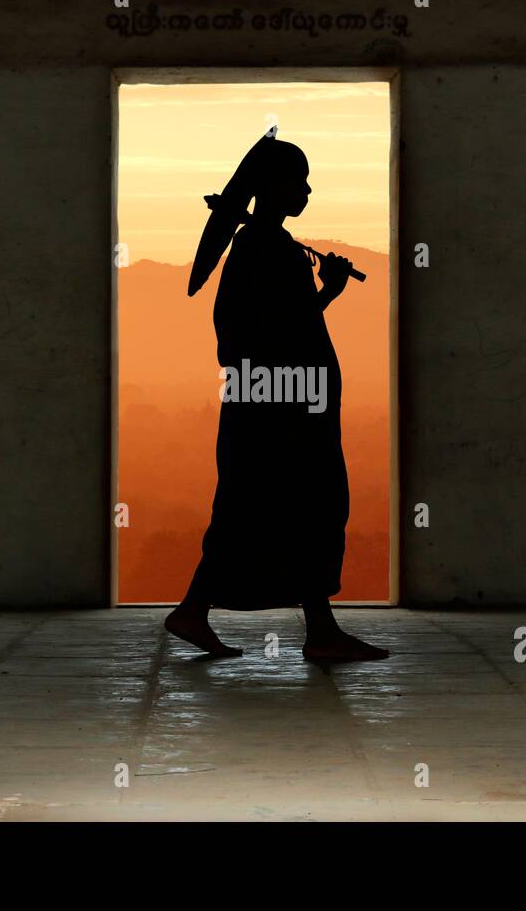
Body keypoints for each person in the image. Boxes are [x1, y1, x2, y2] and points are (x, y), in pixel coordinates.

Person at [164, 131, 390, 663]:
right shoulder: (260, 249)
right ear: (275, 187)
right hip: (275, 414)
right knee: (276, 507)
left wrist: (322, 294)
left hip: (284, 409)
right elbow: (249, 334)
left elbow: (284, 325)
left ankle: (308, 627)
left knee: (281, 509)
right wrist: (326, 294)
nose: (307, 191)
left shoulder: (273, 249)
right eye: (300, 181)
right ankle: (298, 627)